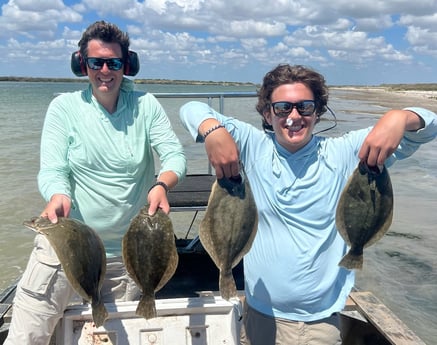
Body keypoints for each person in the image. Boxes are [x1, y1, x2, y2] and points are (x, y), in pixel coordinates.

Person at [179, 64, 437, 345]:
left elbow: (428, 126)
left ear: (317, 113)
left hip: (317, 324)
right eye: (282, 108)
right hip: (256, 314)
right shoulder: (253, 147)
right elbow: (191, 108)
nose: (293, 116)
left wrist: (397, 118)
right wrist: (214, 131)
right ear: (268, 113)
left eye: (304, 107)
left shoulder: (345, 153)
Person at [5, 21, 186, 344]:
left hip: (127, 256)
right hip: (65, 246)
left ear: (126, 65)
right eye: (95, 62)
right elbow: (52, 168)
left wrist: (162, 184)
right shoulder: (64, 107)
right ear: (81, 64)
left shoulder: (145, 106)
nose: (105, 70)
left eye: (113, 63)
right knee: (25, 338)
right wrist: (57, 193)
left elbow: (174, 155)